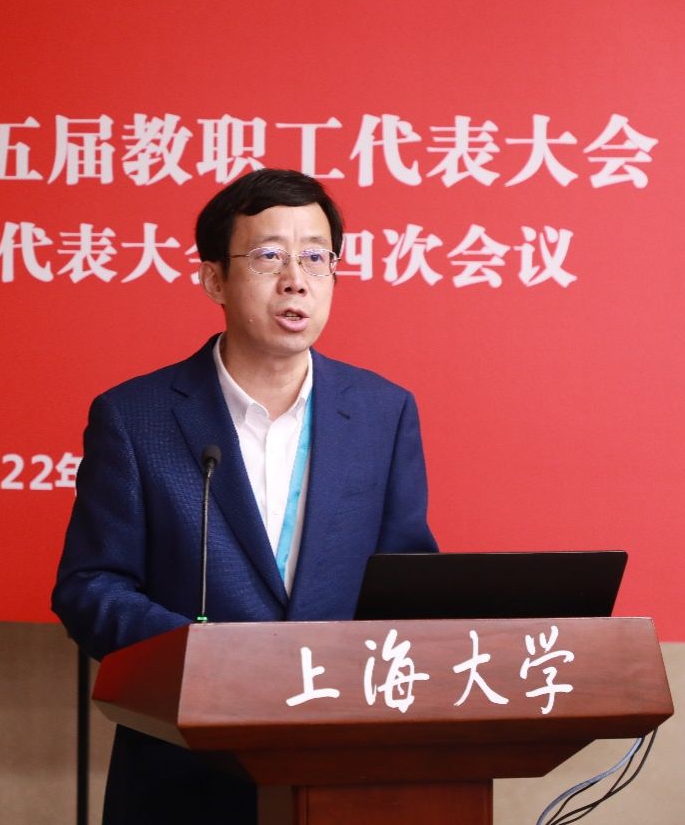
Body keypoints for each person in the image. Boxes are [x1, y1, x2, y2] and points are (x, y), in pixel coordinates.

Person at [52, 168, 439, 825]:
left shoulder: (383, 411)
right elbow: (90, 589)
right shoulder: (135, 416)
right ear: (214, 280)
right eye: (268, 257)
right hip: (186, 771)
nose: (296, 280)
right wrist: (205, 657)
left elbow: (408, 578)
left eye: (315, 258)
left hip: (343, 764)